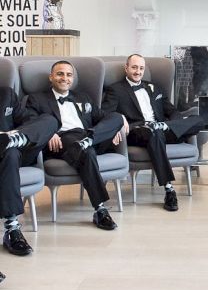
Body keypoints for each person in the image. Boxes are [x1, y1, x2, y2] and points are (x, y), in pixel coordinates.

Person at [25, 61, 124, 231]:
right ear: (51, 77)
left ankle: (89, 141)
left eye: (69, 75)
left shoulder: (83, 97)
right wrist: (50, 133)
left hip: (89, 135)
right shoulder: (37, 99)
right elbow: (31, 123)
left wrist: (111, 127)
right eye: (60, 74)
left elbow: (103, 116)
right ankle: (100, 209)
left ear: (73, 78)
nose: (65, 78)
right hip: (63, 139)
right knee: (85, 150)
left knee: (117, 117)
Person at [102, 54, 204, 211]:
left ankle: (163, 128)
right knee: (153, 133)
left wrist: (172, 124)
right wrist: (119, 117)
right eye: (134, 67)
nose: (138, 71)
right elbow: (105, 114)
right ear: (126, 68)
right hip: (138, 131)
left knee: (197, 119)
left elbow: (172, 111)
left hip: (162, 128)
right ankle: (169, 189)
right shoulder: (115, 90)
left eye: (141, 68)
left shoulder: (154, 87)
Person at [1, 85, 58, 255]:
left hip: (15, 146)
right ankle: (12, 229)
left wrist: (38, 132)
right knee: (10, 154)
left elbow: (26, 119)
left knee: (49, 120)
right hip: (8, 156)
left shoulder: (6, 93)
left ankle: (12, 140)